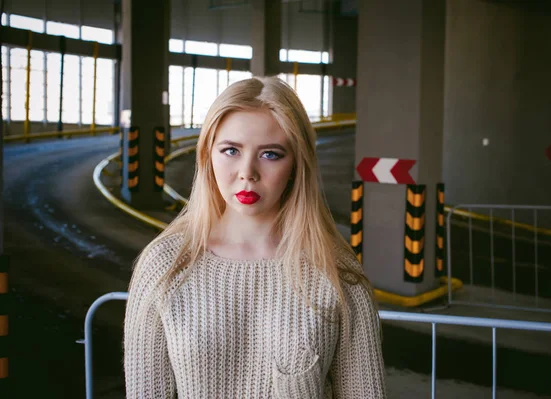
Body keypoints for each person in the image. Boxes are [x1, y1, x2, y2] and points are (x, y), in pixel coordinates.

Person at [123, 76, 386, 398]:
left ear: (297, 164)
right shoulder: (165, 264)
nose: (247, 172)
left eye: (271, 154)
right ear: (207, 155)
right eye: (231, 150)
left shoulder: (337, 273)